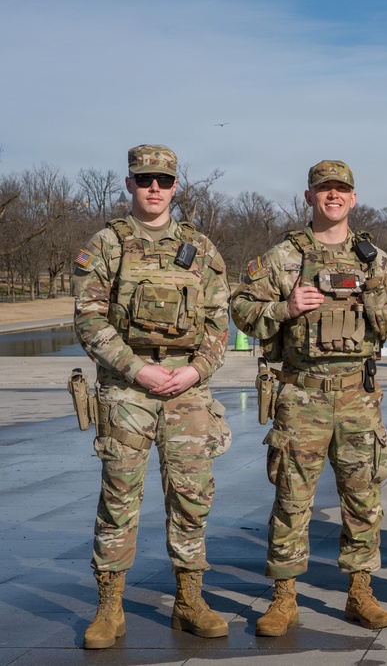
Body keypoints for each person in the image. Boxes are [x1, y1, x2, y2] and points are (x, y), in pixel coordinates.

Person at [231, 160, 387, 636]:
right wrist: (284, 308)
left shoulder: (374, 259)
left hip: (357, 395)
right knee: (291, 498)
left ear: (353, 198)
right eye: (323, 189)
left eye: (341, 190)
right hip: (301, 394)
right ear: (308, 197)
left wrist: (374, 300)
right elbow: (241, 309)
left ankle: (360, 592)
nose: (333, 197)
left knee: (363, 497)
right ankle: (284, 597)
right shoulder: (283, 257)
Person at [72, 144, 232, 649]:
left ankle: (189, 600)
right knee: (119, 497)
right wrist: (137, 368)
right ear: (129, 184)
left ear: (176, 186)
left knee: (191, 496)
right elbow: (89, 319)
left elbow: (218, 323)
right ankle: (110, 606)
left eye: (163, 180)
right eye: (145, 180)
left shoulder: (201, 248)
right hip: (126, 391)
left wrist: (195, 370)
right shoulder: (106, 244)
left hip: (187, 393)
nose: (154, 189)